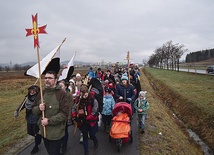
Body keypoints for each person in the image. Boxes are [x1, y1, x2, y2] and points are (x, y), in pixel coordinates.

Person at [32, 70, 69, 155]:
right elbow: (33, 110)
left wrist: (49, 121)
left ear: (56, 80)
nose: (47, 80)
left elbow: (64, 114)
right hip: (44, 132)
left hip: (56, 133)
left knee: (53, 153)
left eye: (50, 78)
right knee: (49, 152)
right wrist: (39, 108)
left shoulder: (61, 94)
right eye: (45, 78)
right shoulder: (42, 93)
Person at [14, 85, 42, 154]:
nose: (32, 92)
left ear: (37, 91)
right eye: (30, 91)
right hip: (29, 118)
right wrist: (17, 111)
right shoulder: (27, 98)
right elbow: (22, 105)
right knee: (30, 132)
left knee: (36, 133)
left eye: (33, 91)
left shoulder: (39, 98)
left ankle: (36, 146)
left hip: (36, 118)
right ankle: (39, 136)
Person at [72, 85, 99, 155]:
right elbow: (74, 108)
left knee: (92, 134)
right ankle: (86, 151)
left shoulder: (93, 100)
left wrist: (88, 117)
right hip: (82, 121)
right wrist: (75, 117)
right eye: (82, 95)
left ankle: (95, 140)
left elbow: (95, 111)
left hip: (91, 121)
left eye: (85, 94)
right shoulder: (78, 100)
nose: (84, 96)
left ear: (88, 92)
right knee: (85, 136)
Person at [58, 80, 74, 154]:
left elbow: (70, 106)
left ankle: (64, 145)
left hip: (65, 116)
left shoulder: (68, 94)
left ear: (66, 86)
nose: (59, 87)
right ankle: (60, 143)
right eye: (59, 85)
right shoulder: (56, 94)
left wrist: (69, 116)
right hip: (58, 116)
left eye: (61, 86)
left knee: (65, 131)